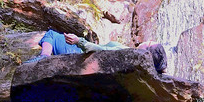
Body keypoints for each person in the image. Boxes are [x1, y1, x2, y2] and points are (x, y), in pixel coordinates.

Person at [27, 29, 167, 73]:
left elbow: (102, 50)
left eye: (148, 43)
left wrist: (79, 41)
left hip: (82, 57)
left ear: (146, 51)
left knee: (52, 34)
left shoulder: (127, 52)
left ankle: (43, 57)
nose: (145, 41)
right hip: (89, 60)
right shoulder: (136, 65)